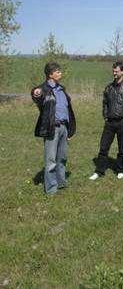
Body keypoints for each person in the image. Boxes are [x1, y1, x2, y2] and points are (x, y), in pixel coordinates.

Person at [31, 62, 76, 195]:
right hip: (52, 128)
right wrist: (36, 93)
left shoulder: (61, 89)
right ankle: (51, 189)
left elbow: (68, 108)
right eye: (57, 71)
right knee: (50, 160)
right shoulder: (43, 89)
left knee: (62, 157)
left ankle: (60, 182)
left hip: (64, 127)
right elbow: (36, 95)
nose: (60, 73)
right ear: (50, 74)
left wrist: (70, 127)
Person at [89, 61, 123, 181]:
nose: (114, 73)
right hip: (109, 123)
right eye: (113, 71)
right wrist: (105, 116)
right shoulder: (108, 88)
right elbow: (105, 103)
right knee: (103, 147)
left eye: (116, 71)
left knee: (121, 148)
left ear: (122, 72)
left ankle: (120, 170)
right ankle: (99, 171)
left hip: (122, 123)